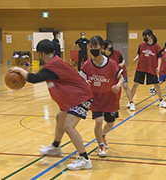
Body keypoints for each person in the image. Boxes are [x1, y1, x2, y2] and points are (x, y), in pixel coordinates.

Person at [9, 39, 94, 171]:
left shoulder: (52, 66)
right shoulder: (56, 62)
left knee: (68, 126)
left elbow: (33, 78)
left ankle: (85, 159)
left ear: (40, 53)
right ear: (54, 51)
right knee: (60, 117)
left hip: (80, 97)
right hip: (76, 96)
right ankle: (55, 146)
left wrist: (20, 70)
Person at [80, 36, 124, 157]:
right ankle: (100, 145)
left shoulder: (111, 63)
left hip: (110, 97)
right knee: (98, 121)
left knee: (110, 123)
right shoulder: (87, 65)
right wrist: (85, 83)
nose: (93, 49)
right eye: (91, 47)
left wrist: (118, 85)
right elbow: (80, 80)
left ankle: (103, 135)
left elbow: (121, 77)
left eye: (96, 47)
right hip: (96, 98)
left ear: (101, 48)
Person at [131, 29, 166, 108]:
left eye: (146, 36)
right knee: (135, 84)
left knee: (157, 85)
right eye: (143, 36)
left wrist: (158, 66)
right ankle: (130, 101)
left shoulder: (156, 47)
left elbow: (159, 58)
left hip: (151, 68)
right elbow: (139, 54)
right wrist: (135, 59)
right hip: (141, 67)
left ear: (150, 36)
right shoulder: (141, 45)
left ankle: (161, 100)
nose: (144, 37)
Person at [103, 39, 135, 111]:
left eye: (111, 46)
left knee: (125, 86)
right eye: (109, 47)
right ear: (104, 48)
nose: (111, 48)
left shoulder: (117, 53)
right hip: (112, 73)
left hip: (121, 71)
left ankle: (131, 102)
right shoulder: (103, 56)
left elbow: (123, 60)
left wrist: (121, 64)